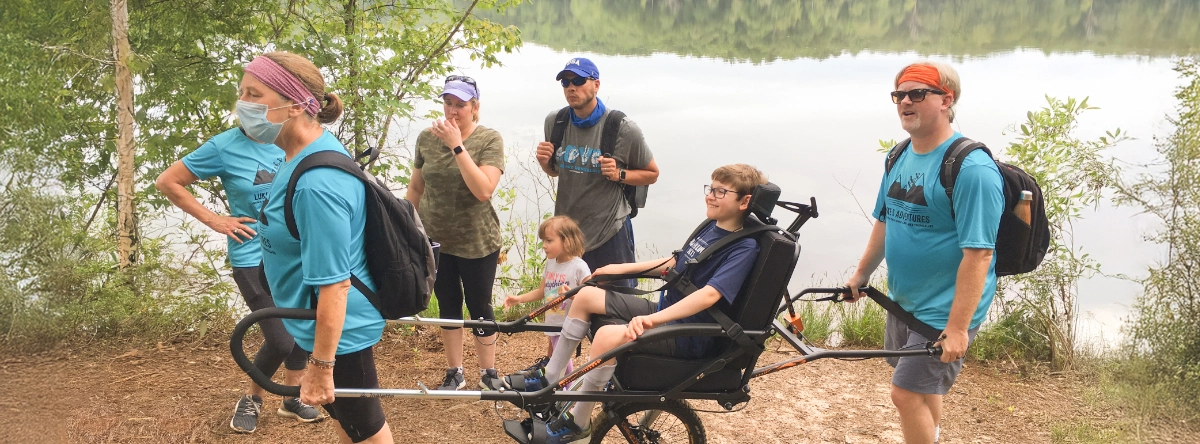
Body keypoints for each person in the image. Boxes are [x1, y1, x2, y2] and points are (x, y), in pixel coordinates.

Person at [514, 164, 765, 444]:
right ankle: (550, 379)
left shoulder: (743, 248)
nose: (711, 196)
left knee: (608, 336)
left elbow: (709, 295)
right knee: (584, 295)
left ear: (744, 201)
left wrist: (653, 321)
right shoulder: (711, 227)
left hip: (689, 334)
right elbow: (673, 264)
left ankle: (577, 422)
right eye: (711, 188)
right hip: (667, 314)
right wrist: (617, 268)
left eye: (721, 191)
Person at [844, 61, 1004, 444]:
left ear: (947, 99)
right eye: (899, 95)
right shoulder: (899, 155)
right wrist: (861, 275)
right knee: (924, 391)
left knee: (904, 393)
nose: (905, 102)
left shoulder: (971, 169)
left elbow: (979, 254)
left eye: (918, 93)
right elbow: (885, 220)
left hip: (943, 311)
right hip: (905, 301)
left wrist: (958, 328)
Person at [250, 51, 394, 444]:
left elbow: (336, 284)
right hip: (321, 325)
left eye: (253, 94)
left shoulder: (318, 185)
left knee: (369, 430)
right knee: (351, 423)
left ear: (294, 104)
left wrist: (321, 364)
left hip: (338, 333)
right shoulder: (299, 153)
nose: (241, 105)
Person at [155, 98, 322, 432]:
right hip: (252, 256)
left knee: (301, 326)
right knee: (279, 339)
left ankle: (291, 399)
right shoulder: (223, 146)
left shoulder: (291, 140)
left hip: (294, 254)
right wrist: (215, 220)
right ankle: (253, 398)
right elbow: (168, 181)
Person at [403, 76, 507, 391]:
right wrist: (408, 227)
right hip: (435, 240)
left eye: (460, 104)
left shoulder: (489, 140)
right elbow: (416, 187)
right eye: (448, 103)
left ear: (475, 107)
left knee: (479, 306)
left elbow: (483, 190)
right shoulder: (426, 138)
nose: (452, 111)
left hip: (477, 241)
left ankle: (488, 373)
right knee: (448, 304)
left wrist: (457, 146)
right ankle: (455, 372)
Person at [534, 57, 660, 284]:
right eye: (566, 82)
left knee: (615, 303)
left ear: (596, 85)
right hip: (568, 235)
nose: (572, 87)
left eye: (580, 80)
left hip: (609, 232)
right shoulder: (556, 121)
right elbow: (556, 171)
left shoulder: (622, 128)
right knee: (567, 304)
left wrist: (619, 174)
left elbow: (652, 174)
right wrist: (545, 162)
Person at [503, 216, 591, 376]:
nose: (544, 245)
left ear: (567, 241)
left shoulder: (579, 267)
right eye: (543, 241)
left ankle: (565, 391)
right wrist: (519, 299)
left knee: (561, 361)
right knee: (556, 359)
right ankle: (559, 390)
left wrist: (571, 295)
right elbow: (542, 291)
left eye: (549, 241)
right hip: (552, 322)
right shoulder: (551, 263)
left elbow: (591, 298)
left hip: (568, 324)